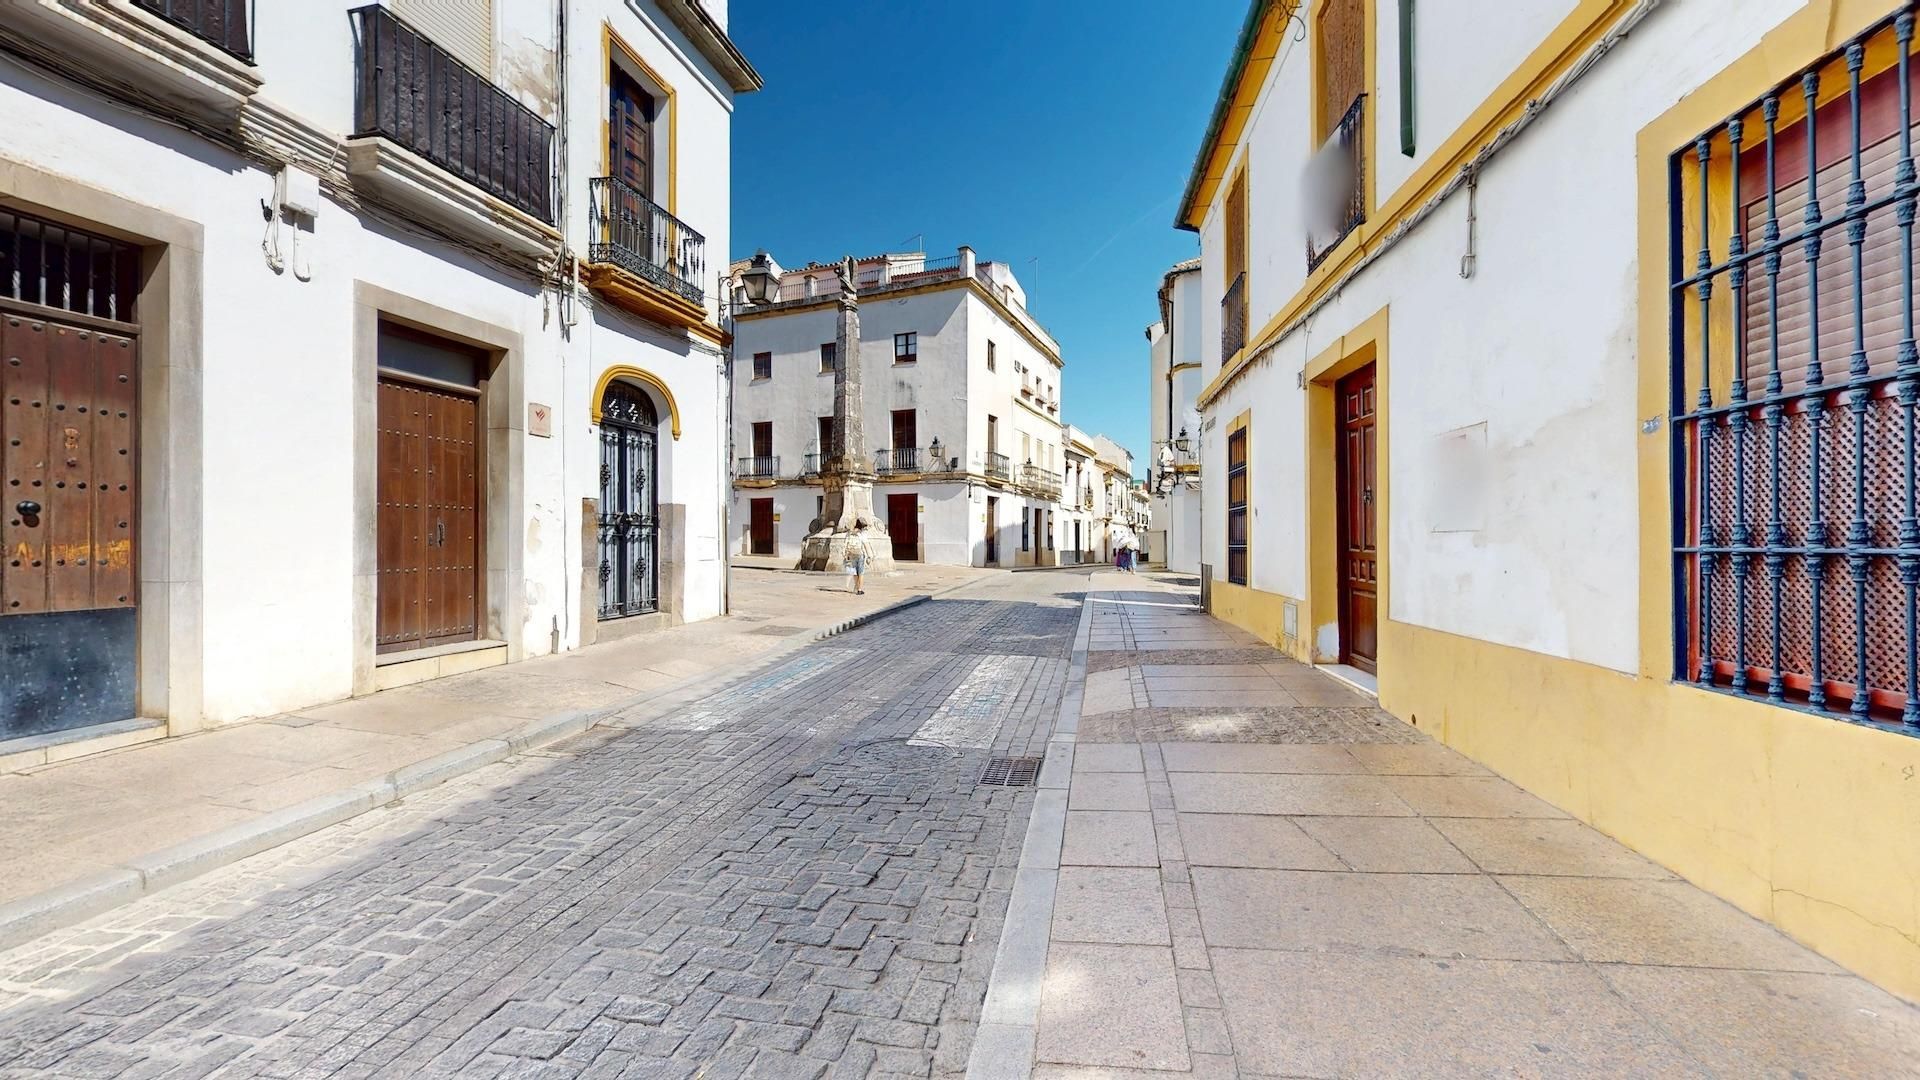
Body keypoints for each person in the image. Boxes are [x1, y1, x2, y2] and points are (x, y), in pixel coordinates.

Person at [846, 522, 871, 595]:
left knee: (854, 572)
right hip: (860, 554)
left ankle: (856, 586)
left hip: (851, 554)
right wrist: (869, 555)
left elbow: (846, 544)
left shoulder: (849, 533)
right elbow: (866, 545)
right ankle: (859, 589)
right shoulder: (862, 534)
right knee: (861, 572)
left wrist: (846, 554)